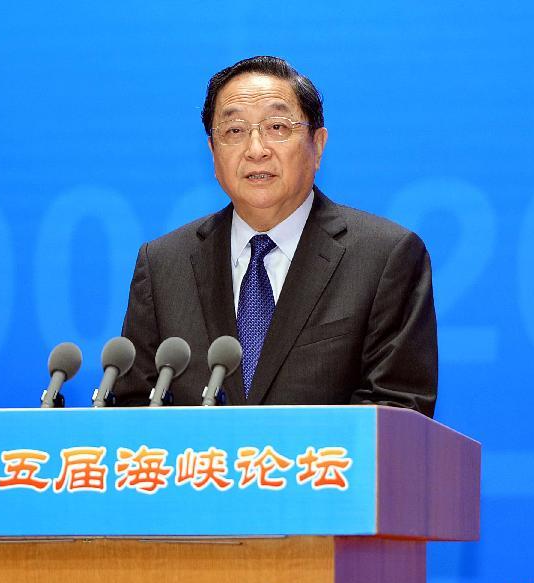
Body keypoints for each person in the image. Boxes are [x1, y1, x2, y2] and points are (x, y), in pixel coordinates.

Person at [115, 56, 437, 417]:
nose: (256, 149)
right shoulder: (163, 264)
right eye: (234, 131)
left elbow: (396, 412)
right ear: (212, 152)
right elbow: (132, 411)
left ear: (318, 145)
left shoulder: (384, 257)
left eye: (277, 127)